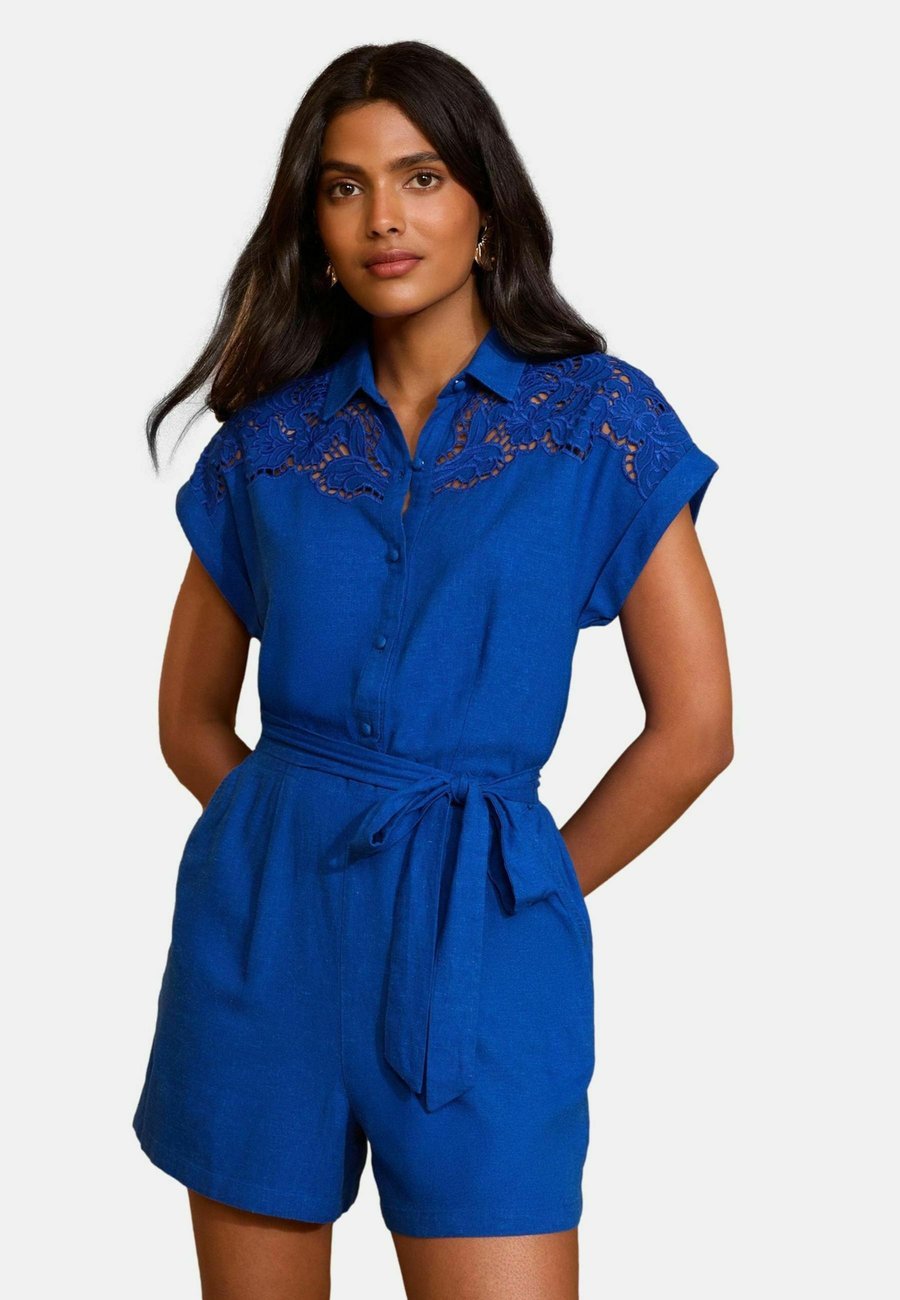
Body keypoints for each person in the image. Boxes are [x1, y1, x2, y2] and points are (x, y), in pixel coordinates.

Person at [132, 39, 733, 1300]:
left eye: (420, 177)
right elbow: (188, 719)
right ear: (314, 226)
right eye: (343, 187)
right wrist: (284, 849)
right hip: (265, 944)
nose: (384, 218)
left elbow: (696, 728)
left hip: (483, 945)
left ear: (484, 208)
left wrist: (521, 890)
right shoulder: (268, 446)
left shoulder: (601, 425)